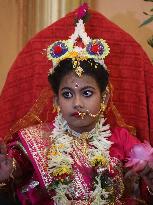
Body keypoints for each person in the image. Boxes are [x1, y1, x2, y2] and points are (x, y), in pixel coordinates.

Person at [0, 3, 153, 205]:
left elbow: (145, 183)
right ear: (56, 101)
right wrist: (8, 170)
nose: (77, 103)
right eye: (67, 94)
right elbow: (15, 168)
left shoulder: (122, 139)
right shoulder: (36, 140)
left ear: (105, 98)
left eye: (87, 93)